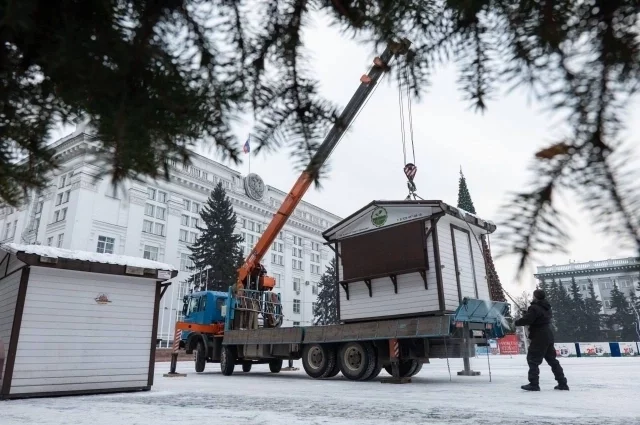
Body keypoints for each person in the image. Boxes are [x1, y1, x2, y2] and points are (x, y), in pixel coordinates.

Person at [515, 289, 569, 391]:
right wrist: (528, 313)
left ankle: (534, 384)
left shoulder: (534, 307)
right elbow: (539, 316)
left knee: (533, 360)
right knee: (553, 361)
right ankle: (562, 383)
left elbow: (528, 320)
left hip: (539, 336)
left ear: (535, 297)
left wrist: (517, 322)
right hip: (548, 335)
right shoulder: (547, 307)